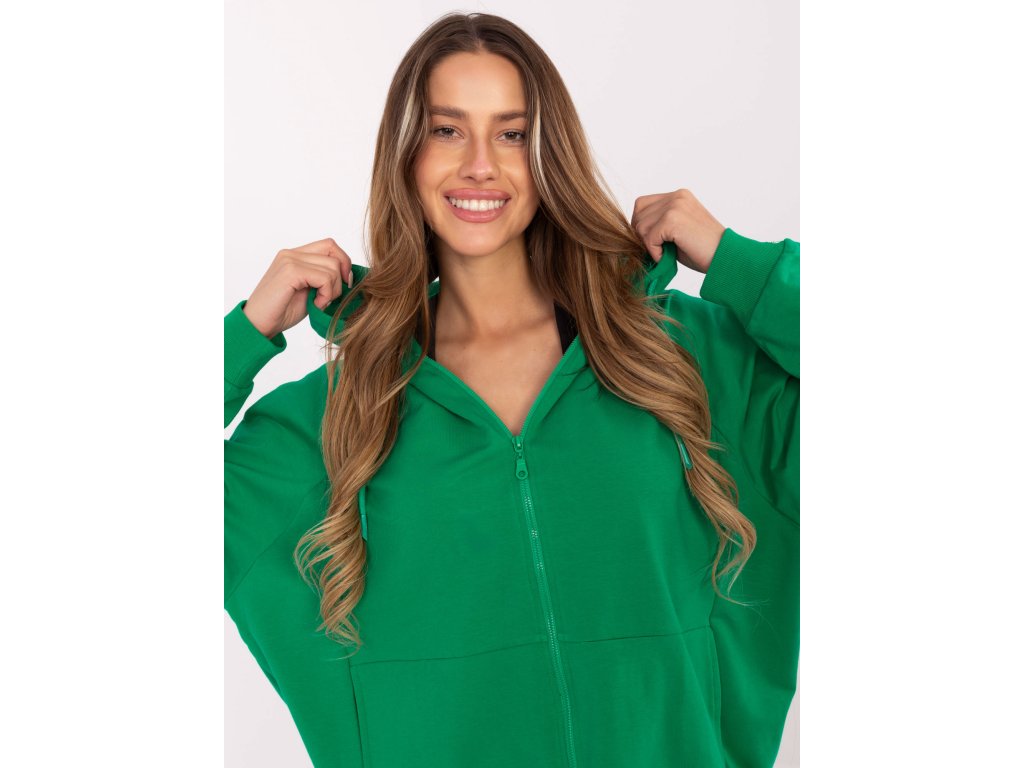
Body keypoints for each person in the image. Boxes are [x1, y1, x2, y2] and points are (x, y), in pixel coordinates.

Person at [225, 11, 798, 768]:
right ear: (405, 155)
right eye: (446, 130)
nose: (479, 166)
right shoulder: (333, 419)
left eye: (513, 133)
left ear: (548, 154)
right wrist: (245, 332)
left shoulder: (680, 360)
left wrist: (739, 264)